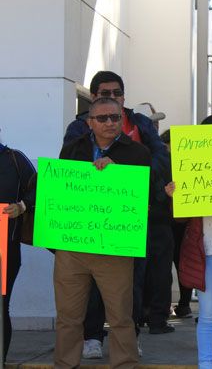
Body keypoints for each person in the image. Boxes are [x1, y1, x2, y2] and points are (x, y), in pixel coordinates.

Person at [64, 70, 172, 360]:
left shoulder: (141, 129)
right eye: (103, 95)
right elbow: (65, 179)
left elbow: (155, 162)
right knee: (88, 292)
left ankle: (128, 340)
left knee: (131, 287)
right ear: (92, 112)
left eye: (115, 95)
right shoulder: (76, 134)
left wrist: (154, 194)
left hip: (126, 225)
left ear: (123, 98)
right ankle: (92, 337)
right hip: (85, 226)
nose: (109, 116)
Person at [54, 97, 151, 369]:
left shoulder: (137, 154)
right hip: (73, 247)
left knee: (121, 316)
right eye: (103, 118)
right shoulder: (72, 150)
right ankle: (65, 364)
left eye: (115, 117)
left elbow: (147, 201)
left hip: (115, 248)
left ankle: (125, 364)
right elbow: (61, 194)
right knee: (68, 316)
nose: (110, 122)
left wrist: (116, 173)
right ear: (89, 123)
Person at [0, 137, 36, 362]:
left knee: (1, 306)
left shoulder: (15, 159)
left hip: (6, 249)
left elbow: (39, 188)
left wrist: (22, 206)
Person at [160, 129, 194, 319]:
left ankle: (181, 304)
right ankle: (183, 304)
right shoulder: (185, 160)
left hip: (175, 220)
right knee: (179, 264)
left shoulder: (160, 159)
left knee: (173, 264)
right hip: (173, 219)